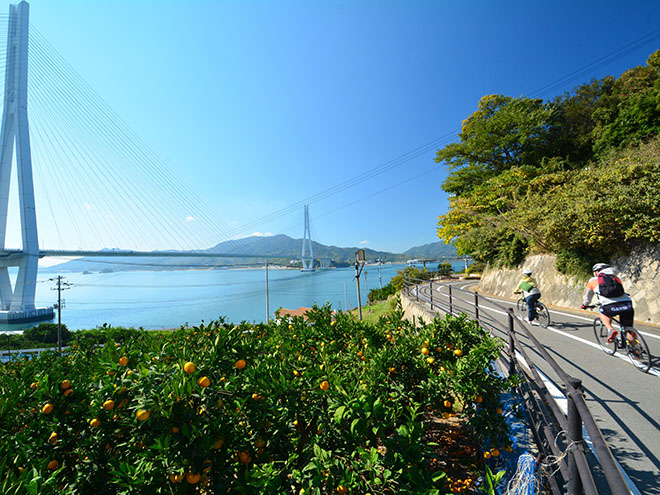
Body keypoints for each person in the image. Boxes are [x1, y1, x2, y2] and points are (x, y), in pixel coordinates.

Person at [581, 263, 634, 343]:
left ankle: (610, 330)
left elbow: (588, 297)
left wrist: (585, 305)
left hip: (609, 306)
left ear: (596, 272)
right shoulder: (615, 278)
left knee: (603, 313)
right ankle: (635, 349)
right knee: (627, 328)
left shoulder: (592, 281)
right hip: (627, 304)